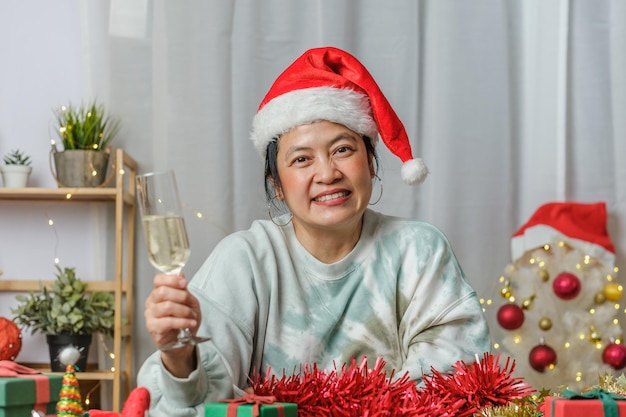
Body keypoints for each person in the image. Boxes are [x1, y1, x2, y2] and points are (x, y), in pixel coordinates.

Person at [137, 46, 491, 415]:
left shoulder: (419, 250)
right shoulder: (246, 260)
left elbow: (455, 384)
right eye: (302, 159)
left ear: (370, 163)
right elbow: (198, 404)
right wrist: (180, 356)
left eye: (342, 149)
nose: (327, 173)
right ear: (277, 184)